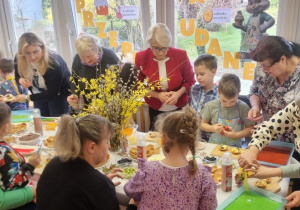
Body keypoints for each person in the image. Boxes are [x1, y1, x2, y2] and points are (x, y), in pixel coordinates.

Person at [36, 114, 137, 210]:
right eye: (107, 142)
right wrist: (133, 203)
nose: (109, 146)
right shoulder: (99, 185)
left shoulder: (54, 163)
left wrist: (102, 184)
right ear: (92, 147)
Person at [124, 106, 217, 209]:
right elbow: (209, 206)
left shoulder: (146, 170)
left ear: (163, 138)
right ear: (192, 140)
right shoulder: (203, 176)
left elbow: (130, 191)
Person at [135, 23, 196, 130]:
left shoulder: (180, 56)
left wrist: (177, 94)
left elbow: (190, 81)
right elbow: (138, 86)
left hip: (179, 107)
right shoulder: (141, 57)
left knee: (179, 137)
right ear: (149, 44)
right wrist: (157, 95)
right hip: (155, 108)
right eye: (155, 48)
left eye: (164, 48)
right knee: (158, 138)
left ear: (169, 43)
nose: (160, 52)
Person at [247, 36, 300, 142]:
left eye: (266, 66)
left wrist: (270, 128)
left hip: (295, 143)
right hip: (267, 138)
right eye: (260, 65)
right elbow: (254, 91)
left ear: (283, 59)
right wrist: (256, 107)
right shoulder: (262, 68)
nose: (263, 69)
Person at [13, 32, 71, 117]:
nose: (32, 57)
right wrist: (20, 80)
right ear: (22, 52)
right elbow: (17, 76)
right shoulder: (19, 58)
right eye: (27, 53)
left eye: (36, 52)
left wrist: (26, 98)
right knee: (42, 120)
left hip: (58, 95)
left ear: (42, 48)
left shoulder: (53, 62)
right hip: (37, 94)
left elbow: (52, 93)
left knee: (58, 123)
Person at [0, 102, 41, 209]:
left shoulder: (5, 151)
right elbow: (16, 182)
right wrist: (31, 166)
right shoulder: (5, 153)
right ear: (5, 127)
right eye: (10, 121)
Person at [67, 33, 119, 111]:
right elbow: (74, 81)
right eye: (83, 57)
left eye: (89, 56)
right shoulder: (77, 59)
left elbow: (120, 82)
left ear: (97, 50)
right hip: (89, 106)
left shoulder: (110, 57)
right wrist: (74, 95)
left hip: (110, 106)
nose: (87, 60)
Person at [200, 73, 254, 147]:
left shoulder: (243, 107)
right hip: (214, 147)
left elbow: (250, 129)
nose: (228, 105)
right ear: (218, 91)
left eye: (233, 101)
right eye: (224, 101)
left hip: (235, 149)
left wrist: (236, 135)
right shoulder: (211, 106)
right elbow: (202, 124)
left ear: (239, 93)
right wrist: (212, 128)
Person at [189, 54, 218, 141]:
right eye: (196, 74)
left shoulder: (219, 95)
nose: (198, 78)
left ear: (213, 72)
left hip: (210, 139)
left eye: (202, 74)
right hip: (193, 136)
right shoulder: (193, 89)